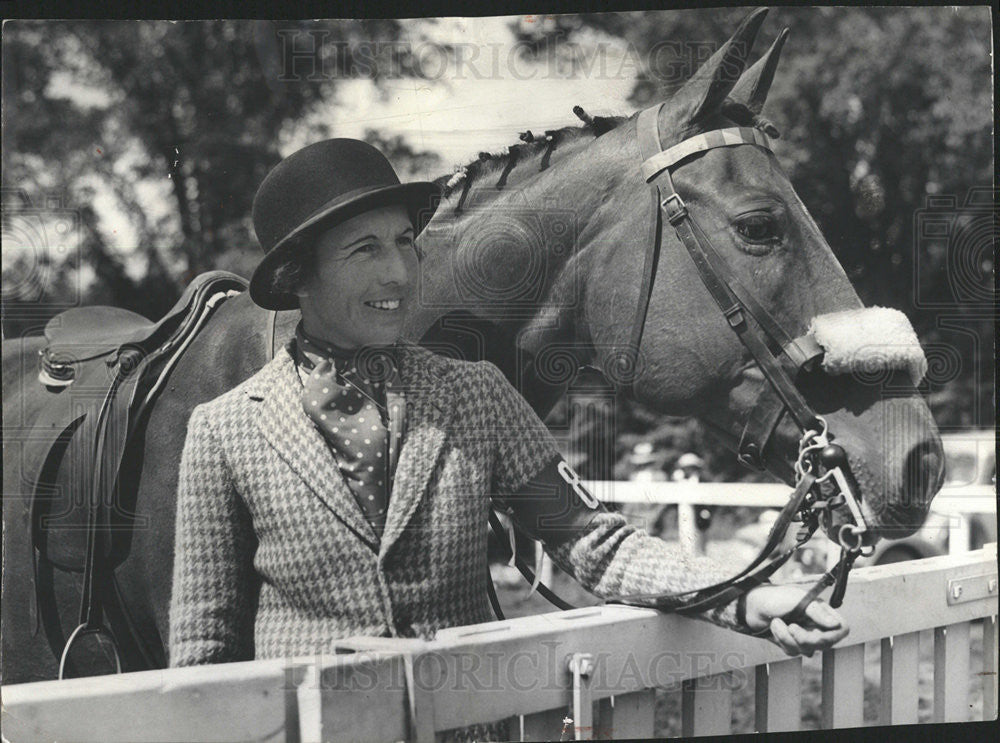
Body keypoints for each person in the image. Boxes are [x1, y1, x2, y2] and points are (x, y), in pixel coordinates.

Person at [168, 139, 849, 735]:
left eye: (405, 241)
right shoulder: (225, 430)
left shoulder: (476, 394)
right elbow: (203, 647)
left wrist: (746, 593)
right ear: (298, 278)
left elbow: (595, 543)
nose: (399, 273)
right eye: (364, 248)